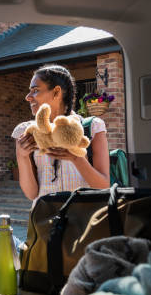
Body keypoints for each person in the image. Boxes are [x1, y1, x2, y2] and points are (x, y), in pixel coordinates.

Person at [12, 64, 110, 200]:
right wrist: (22, 156)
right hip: (45, 217)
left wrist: (76, 158)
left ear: (56, 92)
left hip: (83, 218)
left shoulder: (91, 127)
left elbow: (104, 187)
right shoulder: (27, 132)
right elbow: (31, 194)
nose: (28, 97)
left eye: (35, 90)